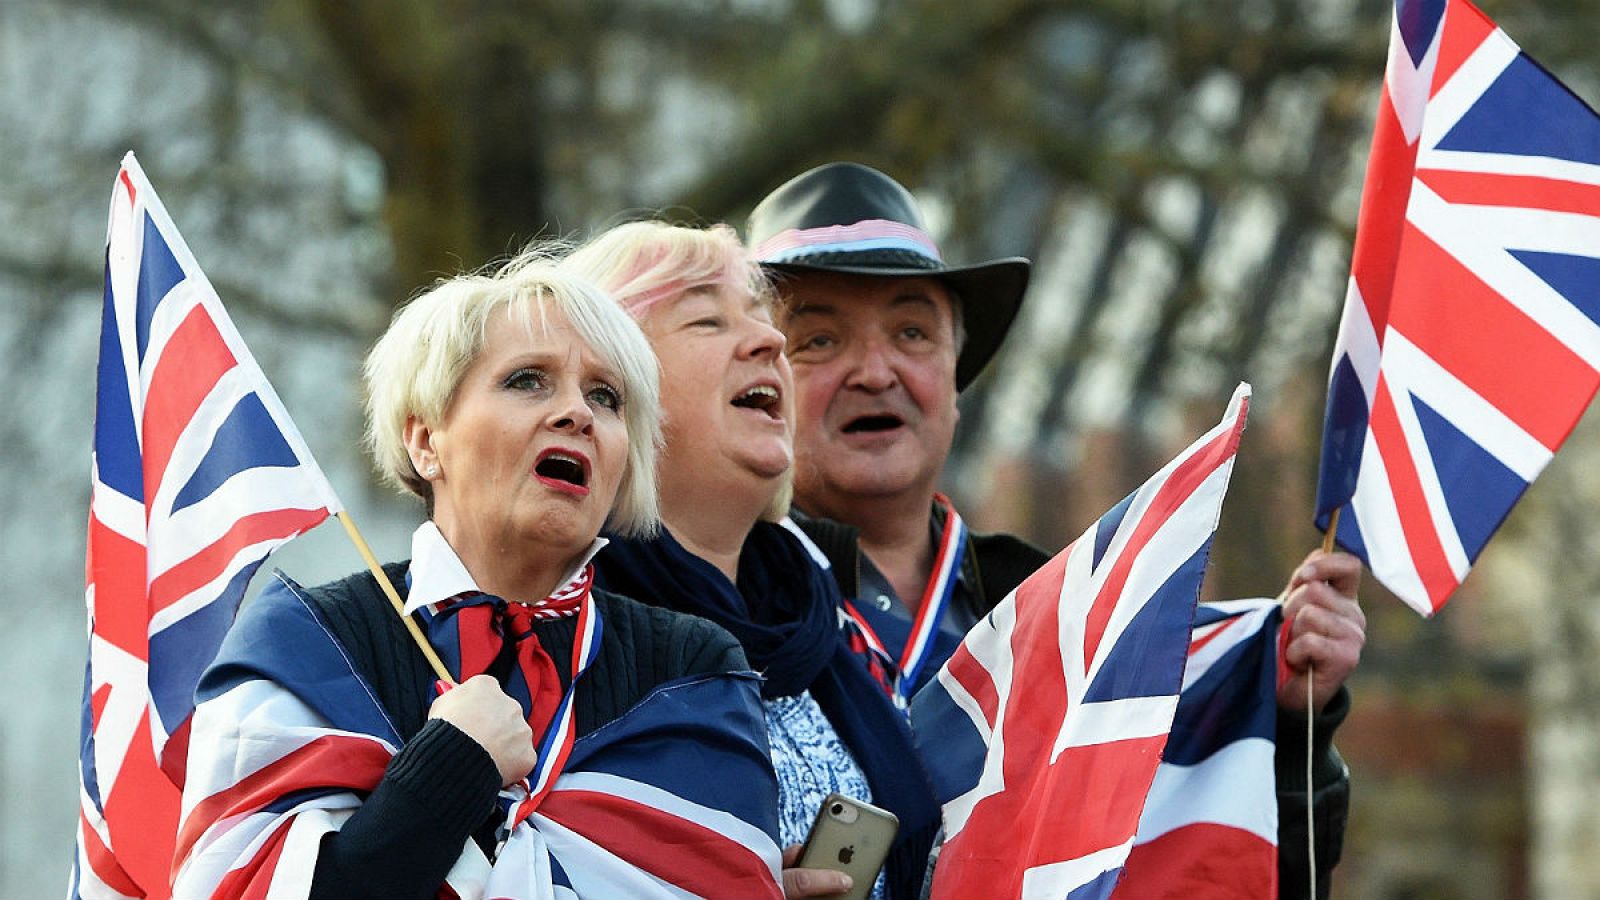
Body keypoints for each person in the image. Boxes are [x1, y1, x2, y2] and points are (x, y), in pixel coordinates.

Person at [748, 161, 1366, 898]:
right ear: (757, 385)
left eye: (912, 332)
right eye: (819, 341)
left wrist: (1294, 723)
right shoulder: (703, 602)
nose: (875, 371)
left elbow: (1226, 865)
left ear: (954, 377)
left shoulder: (1085, 619)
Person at [172, 252, 781, 899]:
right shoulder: (308, 641)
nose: (577, 412)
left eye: (605, 397)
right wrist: (451, 764)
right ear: (426, 441)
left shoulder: (696, 670)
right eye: (528, 381)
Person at [564, 221, 939, 900]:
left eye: (763, 321)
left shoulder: (835, 624)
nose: (771, 342)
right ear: (605, 388)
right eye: (708, 321)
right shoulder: (557, 641)